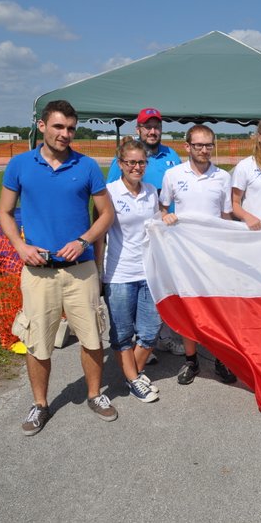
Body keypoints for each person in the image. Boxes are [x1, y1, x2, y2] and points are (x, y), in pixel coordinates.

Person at [0, 99, 117, 436]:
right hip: (38, 272)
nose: (65, 134)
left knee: (92, 337)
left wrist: (83, 241)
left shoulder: (88, 165)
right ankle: (40, 404)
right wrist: (20, 247)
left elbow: (106, 214)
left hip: (80, 270)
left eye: (70, 128)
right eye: (58, 127)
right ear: (42, 126)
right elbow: (5, 211)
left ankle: (95, 395)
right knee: (38, 342)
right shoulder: (20, 165)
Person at [159, 124, 237, 385]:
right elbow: (162, 208)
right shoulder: (172, 175)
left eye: (208, 145)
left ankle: (220, 360)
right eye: (198, 145)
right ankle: (191, 361)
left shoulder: (223, 177)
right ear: (187, 146)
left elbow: (226, 216)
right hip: (183, 254)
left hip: (214, 255)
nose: (204, 150)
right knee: (189, 309)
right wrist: (164, 216)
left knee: (216, 309)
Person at [107, 108, 184, 358]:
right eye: (147, 126)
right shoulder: (121, 161)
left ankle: (160, 338)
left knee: (162, 294)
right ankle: (137, 352)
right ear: (137, 129)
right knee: (129, 309)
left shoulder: (171, 155)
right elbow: (108, 201)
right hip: (130, 247)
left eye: (156, 126)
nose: (152, 131)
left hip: (167, 237)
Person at [97, 138, 162, 402]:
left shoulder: (151, 192)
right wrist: (98, 274)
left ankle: (130, 373)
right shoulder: (109, 192)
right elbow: (99, 235)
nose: (137, 167)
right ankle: (135, 380)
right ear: (121, 164)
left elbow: (156, 228)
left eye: (141, 162)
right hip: (119, 273)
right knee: (122, 334)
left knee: (150, 330)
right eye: (131, 162)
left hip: (148, 272)